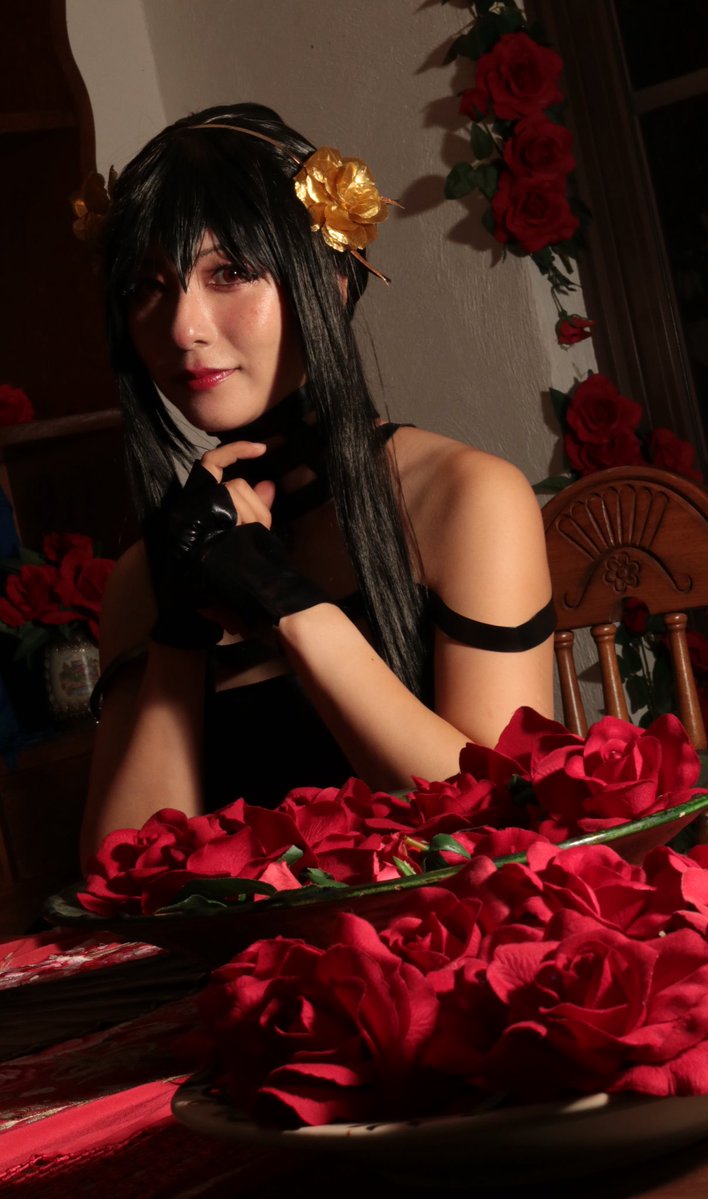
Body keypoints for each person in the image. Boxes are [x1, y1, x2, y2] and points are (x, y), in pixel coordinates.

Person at [80, 103, 555, 868]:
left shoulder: (466, 498)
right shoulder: (146, 575)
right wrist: (180, 626)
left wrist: (288, 604)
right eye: (147, 286)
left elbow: (503, 824)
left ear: (331, 279)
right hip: (249, 944)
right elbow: (125, 875)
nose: (182, 327)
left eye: (228, 272)